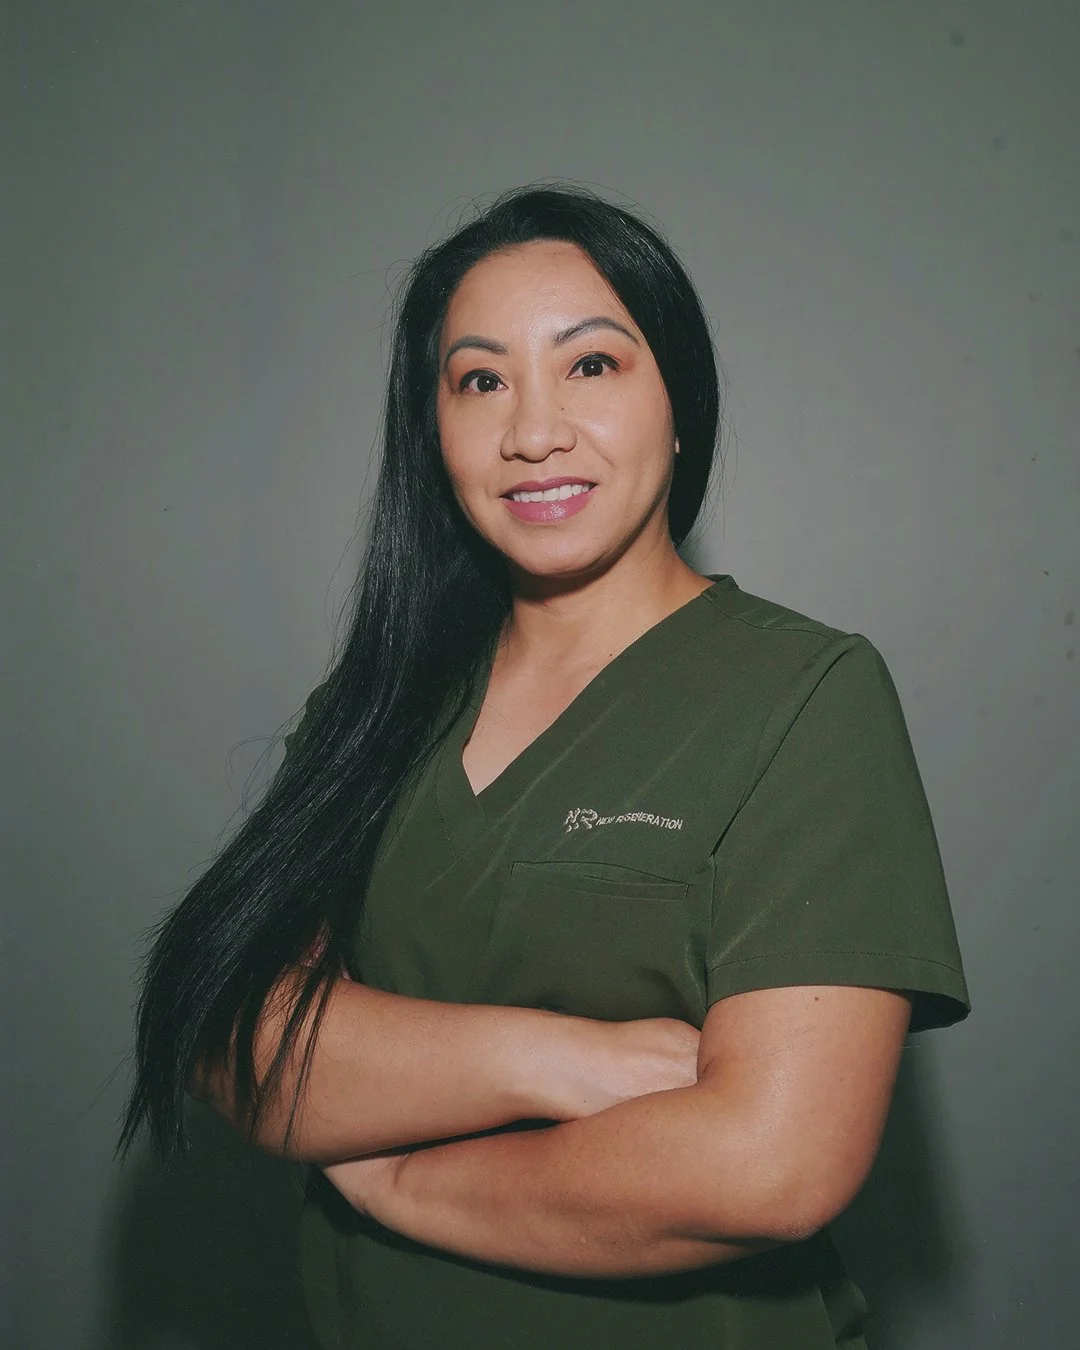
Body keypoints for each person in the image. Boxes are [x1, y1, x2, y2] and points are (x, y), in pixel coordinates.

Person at [122, 184, 970, 1349]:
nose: (533, 430)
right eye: (481, 380)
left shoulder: (805, 696)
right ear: (436, 431)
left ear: (681, 404)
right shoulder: (375, 710)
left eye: (591, 366)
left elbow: (773, 1164)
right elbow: (236, 1031)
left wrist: (397, 1176)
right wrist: (566, 1061)